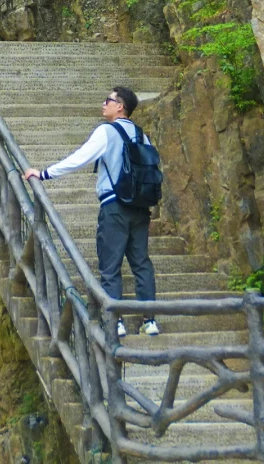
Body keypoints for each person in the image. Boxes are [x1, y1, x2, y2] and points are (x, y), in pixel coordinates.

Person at [23, 85, 158, 338]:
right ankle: (149, 321)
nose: (103, 103)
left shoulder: (107, 131)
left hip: (115, 206)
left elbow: (81, 157)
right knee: (141, 263)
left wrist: (44, 174)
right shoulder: (141, 135)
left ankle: (114, 321)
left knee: (110, 264)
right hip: (140, 208)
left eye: (109, 100)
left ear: (121, 107)